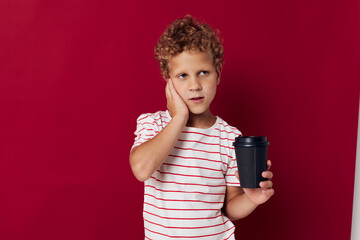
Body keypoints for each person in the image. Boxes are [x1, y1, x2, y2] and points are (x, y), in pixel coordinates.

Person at [129, 15, 274, 239]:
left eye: (203, 73)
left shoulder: (229, 137)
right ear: (168, 81)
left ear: (218, 74)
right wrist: (178, 118)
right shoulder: (152, 123)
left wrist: (251, 199)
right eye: (182, 76)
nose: (195, 85)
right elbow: (141, 169)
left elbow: (230, 207)